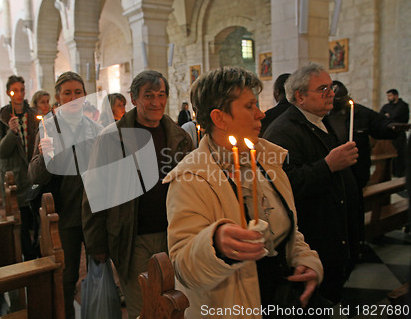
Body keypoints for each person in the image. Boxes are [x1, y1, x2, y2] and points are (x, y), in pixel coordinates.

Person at [164, 67, 323, 318]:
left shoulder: (267, 159)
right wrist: (214, 243)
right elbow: (184, 267)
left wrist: (305, 258)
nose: (261, 114)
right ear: (220, 118)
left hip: (281, 299)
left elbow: (286, 226)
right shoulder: (191, 178)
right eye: (250, 106)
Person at [82, 70, 193, 319]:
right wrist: (96, 245)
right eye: (149, 96)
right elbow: (95, 191)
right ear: (134, 98)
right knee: (143, 308)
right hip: (131, 236)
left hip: (174, 234)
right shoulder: (112, 137)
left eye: (161, 95)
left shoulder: (180, 138)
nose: (156, 102)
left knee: (175, 305)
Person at [263, 63, 360, 304]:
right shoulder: (283, 131)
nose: (331, 93)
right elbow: (286, 185)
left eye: (331, 87)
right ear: (300, 96)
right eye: (323, 88)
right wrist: (328, 165)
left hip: (331, 235)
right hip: (313, 238)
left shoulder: (319, 120)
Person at [28, 71, 103, 319]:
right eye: (67, 93)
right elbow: (35, 176)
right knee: (66, 277)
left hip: (93, 213)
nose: (73, 98)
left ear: (84, 95)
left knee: (99, 272)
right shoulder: (48, 128)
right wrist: (47, 157)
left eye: (78, 92)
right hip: (64, 215)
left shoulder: (95, 127)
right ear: (58, 98)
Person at [0, 75, 39, 261]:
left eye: (21, 90)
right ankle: (29, 257)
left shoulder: (33, 115)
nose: (19, 94)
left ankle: (39, 252)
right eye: (14, 91)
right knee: (23, 222)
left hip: (34, 175)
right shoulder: (0, 120)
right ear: (8, 93)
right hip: (16, 179)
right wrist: (11, 133)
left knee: (40, 219)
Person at [326, 80, 399, 189]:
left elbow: (379, 123)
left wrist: (390, 127)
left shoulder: (359, 112)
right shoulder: (321, 114)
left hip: (357, 168)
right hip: (331, 169)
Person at [380, 89, 409, 177]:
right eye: (388, 96)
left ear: (396, 96)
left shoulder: (403, 105)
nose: (388, 98)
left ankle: (400, 173)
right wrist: (388, 116)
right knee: (389, 153)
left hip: (399, 133)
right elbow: (380, 116)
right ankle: (391, 172)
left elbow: (395, 115)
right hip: (388, 133)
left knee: (399, 153)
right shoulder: (386, 106)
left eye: (390, 96)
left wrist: (389, 115)